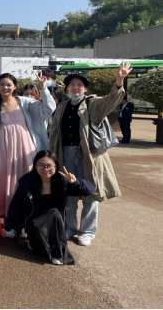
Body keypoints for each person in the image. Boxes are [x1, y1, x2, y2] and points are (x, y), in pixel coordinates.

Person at [49, 63, 132, 247]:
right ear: (66, 88)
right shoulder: (61, 107)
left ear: (86, 89)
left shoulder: (93, 104)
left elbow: (111, 100)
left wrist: (119, 81)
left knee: (89, 193)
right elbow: (54, 133)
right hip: (65, 153)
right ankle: (70, 227)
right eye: (72, 84)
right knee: (68, 193)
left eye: (80, 85)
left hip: (89, 155)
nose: (75, 87)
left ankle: (87, 231)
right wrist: (52, 155)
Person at [4, 150, 95, 266]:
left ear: (55, 166)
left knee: (54, 212)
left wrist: (75, 182)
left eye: (49, 166)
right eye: (41, 165)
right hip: (34, 224)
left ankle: (58, 255)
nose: (45, 169)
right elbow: (16, 205)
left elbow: (90, 189)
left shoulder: (61, 181)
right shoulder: (27, 181)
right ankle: (37, 243)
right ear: (35, 166)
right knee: (39, 247)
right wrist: (9, 226)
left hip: (54, 225)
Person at [0, 72, 56, 217]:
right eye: (2, 84)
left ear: (15, 87)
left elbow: (48, 109)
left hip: (26, 146)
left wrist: (43, 89)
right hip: (3, 149)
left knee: (27, 177)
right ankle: (8, 216)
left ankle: (28, 213)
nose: (5, 87)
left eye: (9, 85)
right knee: (3, 179)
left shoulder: (25, 102)